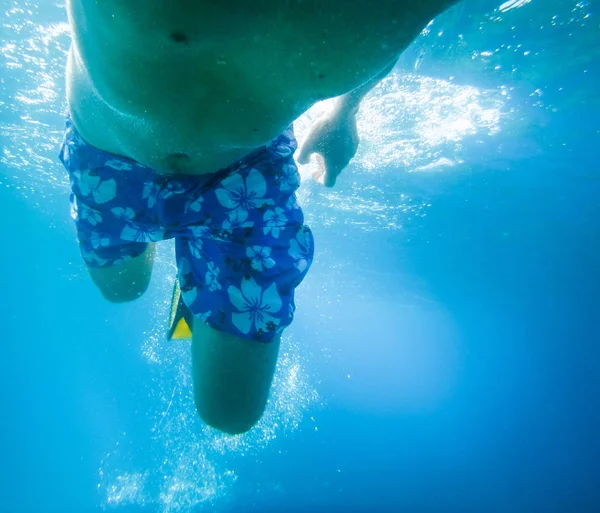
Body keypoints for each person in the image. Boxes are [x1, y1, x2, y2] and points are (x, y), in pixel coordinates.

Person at [60, 0, 458, 435]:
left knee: (230, 414)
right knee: (123, 289)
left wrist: (345, 111)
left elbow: (396, 31)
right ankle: (198, 270)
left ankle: (197, 276)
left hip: (247, 175)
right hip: (109, 157)